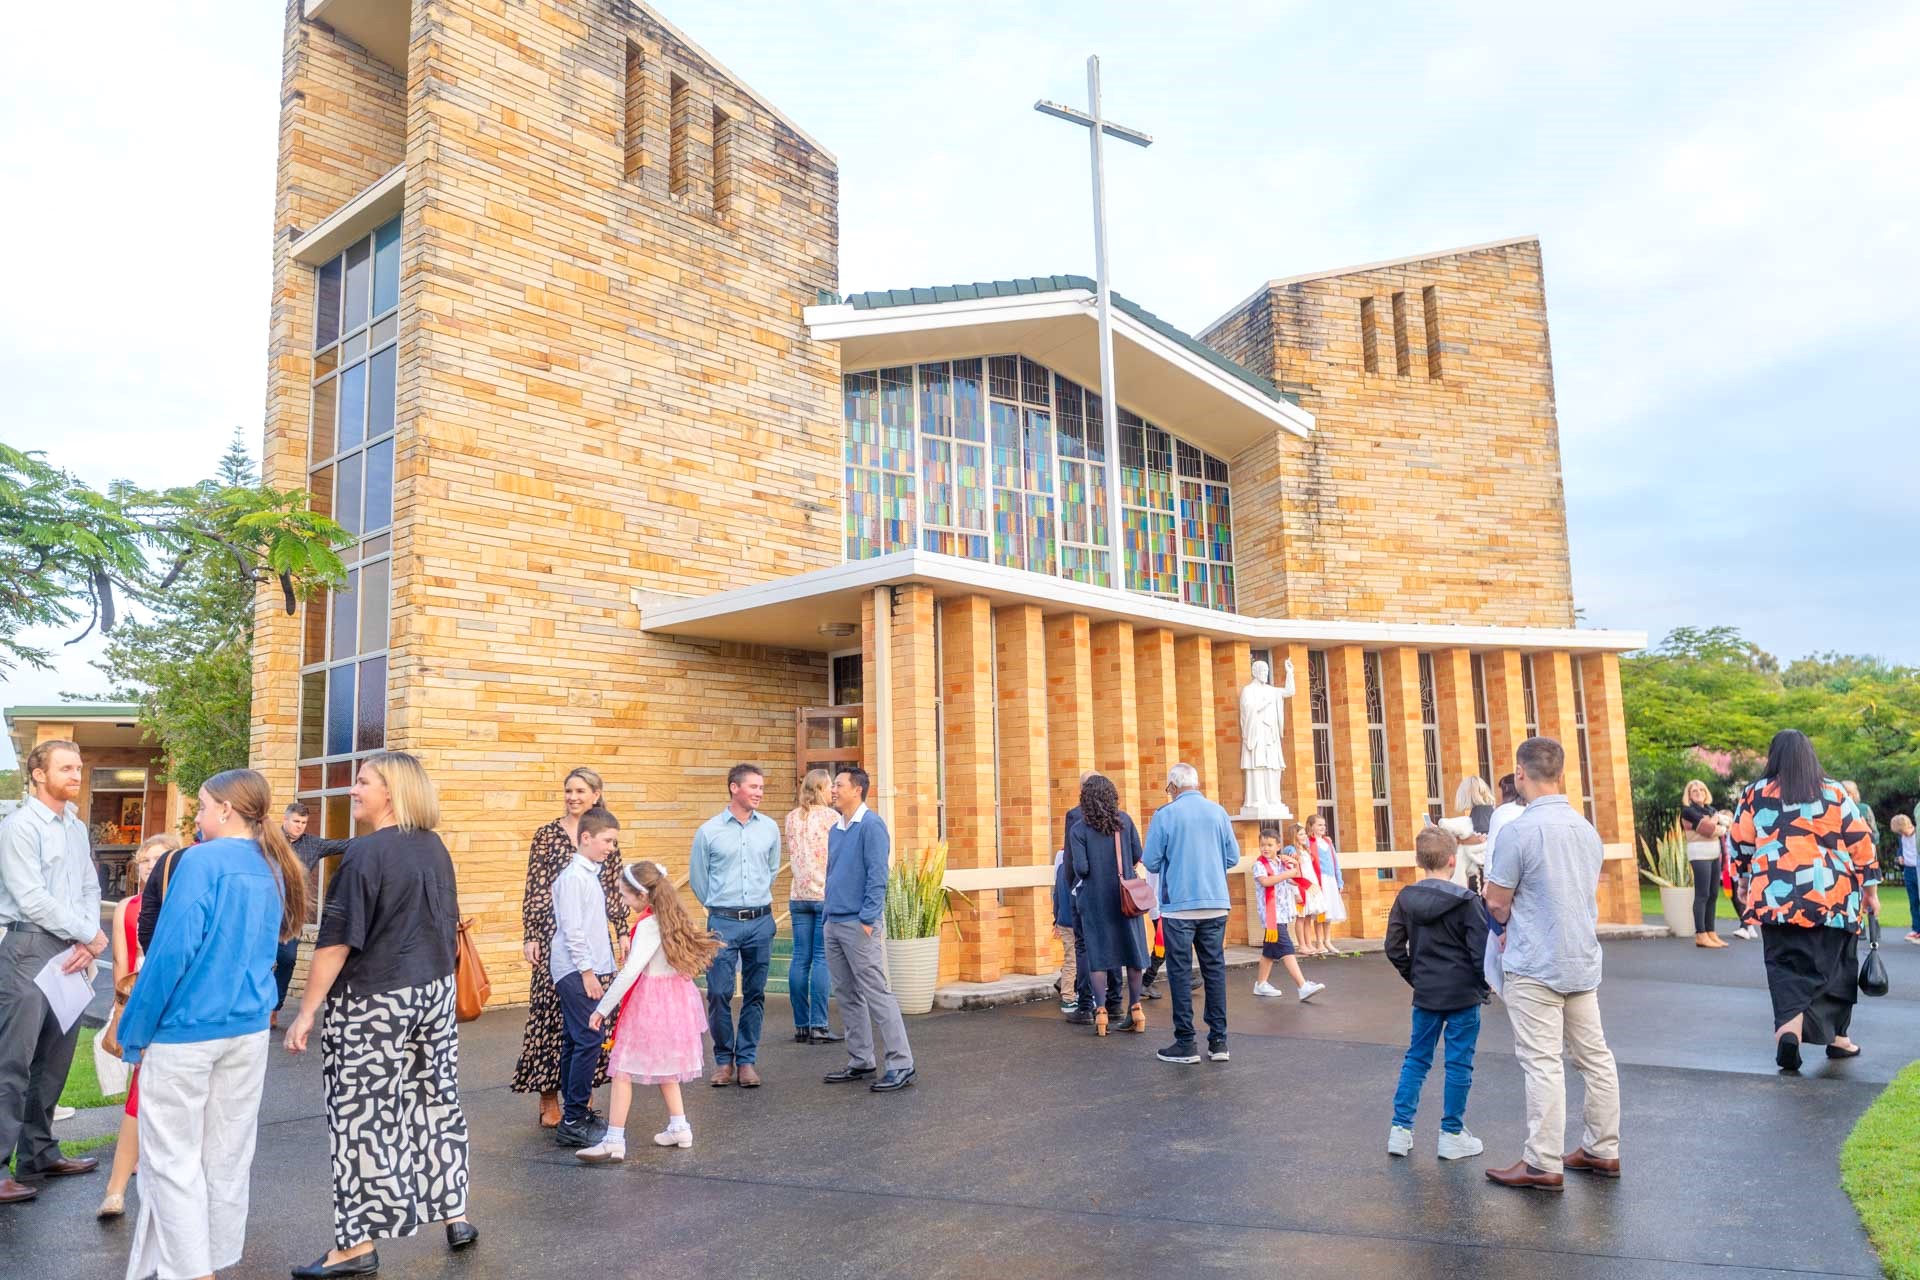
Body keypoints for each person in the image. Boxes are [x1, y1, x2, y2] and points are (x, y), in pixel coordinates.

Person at [284, 752, 475, 1278]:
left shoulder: (366, 855)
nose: (353, 789)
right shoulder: (434, 848)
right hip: (432, 993)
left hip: (373, 1000)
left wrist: (306, 1012)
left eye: (363, 781)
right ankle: (454, 1212)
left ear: (391, 791)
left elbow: (337, 941)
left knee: (362, 1119)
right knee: (435, 1102)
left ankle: (356, 1245)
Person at [116, 769, 307, 1280]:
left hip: (188, 1032)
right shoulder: (272, 864)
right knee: (225, 1159)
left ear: (226, 809)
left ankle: (194, 1272)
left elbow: (171, 952)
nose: (196, 817)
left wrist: (133, 1030)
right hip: (245, 1031)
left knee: (172, 1165)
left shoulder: (203, 862)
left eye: (201, 806)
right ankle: (205, 1265)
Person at [1483, 736, 1621, 1191]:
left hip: (1535, 961)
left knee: (1543, 1062)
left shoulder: (1518, 831)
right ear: (1560, 774)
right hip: (1581, 959)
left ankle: (1542, 1162)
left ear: (1521, 773)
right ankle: (1603, 1149)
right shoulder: (1586, 829)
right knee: (1595, 1059)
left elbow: (1497, 901)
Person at [1728, 731, 1879, 1072]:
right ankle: (1839, 1039)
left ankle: (1789, 1032)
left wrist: (1743, 881)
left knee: (1786, 968)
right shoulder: (1835, 791)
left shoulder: (1755, 794)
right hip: (1832, 896)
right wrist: (1870, 891)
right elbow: (1861, 842)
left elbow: (1740, 843)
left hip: (1776, 896)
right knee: (1838, 967)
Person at [0, 738, 106, 1206]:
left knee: (55, 1057)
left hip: (70, 948)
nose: (76, 775)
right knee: (12, 1062)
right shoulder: (19, 826)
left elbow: (88, 884)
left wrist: (85, 937)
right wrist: (91, 933)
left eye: (79, 767)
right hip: (28, 945)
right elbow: (32, 898)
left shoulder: (76, 827)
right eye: (66, 768)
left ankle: (38, 1154)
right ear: (38, 773)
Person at [577, 861, 723, 1162]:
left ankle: (614, 1139)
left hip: (652, 1003)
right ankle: (679, 1126)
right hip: (675, 1001)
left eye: (626, 895)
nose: (623, 901)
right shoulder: (673, 918)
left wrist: (602, 1009)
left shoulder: (647, 925)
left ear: (643, 896)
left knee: (622, 1068)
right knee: (665, 1067)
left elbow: (630, 971)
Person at [512, 767, 628, 1128]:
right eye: (568, 790)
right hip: (554, 937)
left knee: (590, 1019)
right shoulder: (547, 835)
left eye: (580, 790)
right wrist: (531, 933)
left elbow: (614, 888)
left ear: (596, 794)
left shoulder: (604, 836)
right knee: (549, 1015)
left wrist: (623, 929)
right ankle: (549, 1097)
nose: (573, 796)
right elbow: (535, 885)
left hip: (591, 935)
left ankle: (582, 1093)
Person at [1385, 826, 1489, 1161]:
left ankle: (1400, 1131)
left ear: (1419, 860)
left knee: (1416, 1059)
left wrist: (1415, 975)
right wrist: (1482, 985)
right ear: (1451, 859)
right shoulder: (1469, 902)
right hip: (1462, 993)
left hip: (1427, 992)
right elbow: (1480, 952)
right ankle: (1451, 1133)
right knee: (1459, 1064)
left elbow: (1393, 947)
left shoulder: (1405, 898)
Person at [96, 834, 176, 1219]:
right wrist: (120, 1008)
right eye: (144, 861)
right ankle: (117, 1186)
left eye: (157, 860)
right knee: (139, 1088)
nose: (149, 867)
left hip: (175, 1002)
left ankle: (147, 1166)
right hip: (140, 995)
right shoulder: (127, 907)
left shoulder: (180, 904)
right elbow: (121, 961)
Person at [821, 768, 916, 1092]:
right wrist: (827, 917)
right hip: (834, 922)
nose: (833, 789)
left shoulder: (872, 826)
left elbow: (878, 876)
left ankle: (901, 1063)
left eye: (839, 785)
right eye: (833, 785)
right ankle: (861, 1060)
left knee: (877, 993)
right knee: (847, 994)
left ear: (857, 790)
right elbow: (833, 873)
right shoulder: (837, 828)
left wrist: (867, 919)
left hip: (859, 924)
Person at [1141, 763, 1240, 1066]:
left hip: (1179, 907)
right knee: (1214, 970)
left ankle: (1186, 1043)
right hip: (1215, 902)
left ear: (1172, 786)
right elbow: (1232, 857)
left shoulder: (1165, 815)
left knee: (1181, 973)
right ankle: (1219, 1041)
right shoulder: (1218, 812)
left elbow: (1151, 862)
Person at [690, 763, 781, 1088]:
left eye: (761, 787)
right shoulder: (709, 831)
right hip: (722, 924)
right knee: (718, 992)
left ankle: (746, 1062)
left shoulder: (769, 828)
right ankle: (723, 1060)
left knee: (755, 993)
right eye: (753, 787)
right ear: (734, 788)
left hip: (760, 922)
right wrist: (720, 906)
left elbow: (770, 870)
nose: (759, 792)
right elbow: (699, 880)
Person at [545, 807, 622, 1149]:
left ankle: (576, 1114)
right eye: (607, 841)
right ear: (586, 838)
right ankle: (574, 1119)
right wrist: (589, 973)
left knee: (577, 1040)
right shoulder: (574, 878)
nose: (611, 848)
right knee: (589, 1039)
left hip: (586, 968)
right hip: (577, 971)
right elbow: (573, 931)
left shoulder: (589, 874)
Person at [1068, 774, 1150, 1037]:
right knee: (1134, 953)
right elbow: (1138, 855)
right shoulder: (1124, 821)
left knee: (1099, 958)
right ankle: (1136, 1007)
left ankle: (1101, 1013)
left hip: (1095, 900)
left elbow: (1081, 868)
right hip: (1127, 898)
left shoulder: (1078, 829)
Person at [274, 801, 350, 1029]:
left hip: (293, 915)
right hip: (264, 911)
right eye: (296, 822)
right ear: (285, 820)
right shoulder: (268, 841)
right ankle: (259, 1009)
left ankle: (274, 1007)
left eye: (304, 823)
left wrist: (382, 836)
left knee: (287, 959)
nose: (300, 826)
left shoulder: (313, 844)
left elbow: (344, 844)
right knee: (263, 961)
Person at [783, 769, 841, 1045]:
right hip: (823, 896)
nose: (833, 791)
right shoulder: (832, 818)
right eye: (831, 786)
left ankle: (801, 1025)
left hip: (798, 896)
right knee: (821, 959)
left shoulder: (792, 818)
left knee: (800, 958)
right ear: (820, 787)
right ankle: (819, 1024)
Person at [1251, 826, 1323, 1002]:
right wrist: (1286, 874)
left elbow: (1295, 875)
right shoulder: (1260, 865)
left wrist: (1294, 863)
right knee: (1287, 948)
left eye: (1269, 845)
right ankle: (1302, 986)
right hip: (1271, 916)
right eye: (1262, 845)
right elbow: (1266, 882)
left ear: (1278, 846)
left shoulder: (1281, 863)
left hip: (1282, 913)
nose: (1265, 848)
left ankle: (1261, 984)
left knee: (1269, 952)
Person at [1679, 779, 1727, 948]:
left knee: (1713, 893)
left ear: (1706, 792)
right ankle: (1700, 934)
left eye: (1701, 790)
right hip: (1699, 855)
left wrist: (1716, 825)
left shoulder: (1710, 810)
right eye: (1694, 791)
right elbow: (1708, 830)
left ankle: (1710, 932)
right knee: (1702, 894)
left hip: (1714, 854)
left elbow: (1724, 823)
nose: (1699, 793)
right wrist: (1718, 826)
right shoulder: (1688, 812)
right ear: (1689, 795)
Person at [1439, 776, 1495, 889]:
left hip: (1478, 876)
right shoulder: (1490, 812)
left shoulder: (1480, 814)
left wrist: (1460, 841)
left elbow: (1482, 837)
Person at [1051, 846, 1084, 1015]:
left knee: (1071, 958)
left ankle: (1067, 987)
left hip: (1063, 919)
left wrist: (1055, 919)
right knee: (1074, 960)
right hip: (1075, 921)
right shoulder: (1080, 870)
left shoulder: (1061, 868)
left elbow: (1056, 895)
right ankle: (1068, 997)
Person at [1308, 813, 1347, 955]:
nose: (1322, 827)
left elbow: (1335, 862)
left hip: (1330, 880)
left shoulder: (1328, 842)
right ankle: (1318, 941)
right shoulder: (1309, 842)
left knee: (1329, 909)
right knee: (1321, 911)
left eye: (1324, 825)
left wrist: (1339, 880)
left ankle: (1327, 940)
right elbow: (1296, 849)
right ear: (1311, 826)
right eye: (1319, 825)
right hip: (1319, 880)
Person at [1721, 808, 1758, 941]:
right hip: (1725, 872)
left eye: (1727, 819)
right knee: (1732, 898)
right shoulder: (1721, 835)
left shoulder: (1735, 834)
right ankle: (1748, 925)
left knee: (1740, 898)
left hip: (1735, 869)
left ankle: (1744, 926)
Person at [1292, 819, 1327, 956]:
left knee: (1308, 917)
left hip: (1311, 885)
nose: (1304, 837)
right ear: (1294, 836)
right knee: (1300, 916)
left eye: (1304, 834)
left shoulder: (1305, 849)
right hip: (1301, 886)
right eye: (1300, 835)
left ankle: (1308, 943)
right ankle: (1301, 944)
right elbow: (1294, 872)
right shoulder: (1293, 851)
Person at [1890, 814, 1919, 944]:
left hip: (1917, 868)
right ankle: (1916, 929)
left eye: (1902, 831)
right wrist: (1900, 855)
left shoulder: (1917, 835)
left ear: (1908, 825)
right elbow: (1901, 849)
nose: (1902, 834)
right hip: (1908, 870)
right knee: (1913, 901)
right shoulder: (1901, 837)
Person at [1484, 773, 1524, 857]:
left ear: (1506, 791)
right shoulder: (1531, 808)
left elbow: (1491, 849)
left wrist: (1488, 870)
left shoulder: (1500, 813)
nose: (1497, 795)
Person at [1843, 781, 1879, 849]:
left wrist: (1870, 843)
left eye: (1848, 792)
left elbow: (1875, 833)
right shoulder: (1836, 810)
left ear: (1853, 794)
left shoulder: (1864, 808)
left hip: (1865, 850)